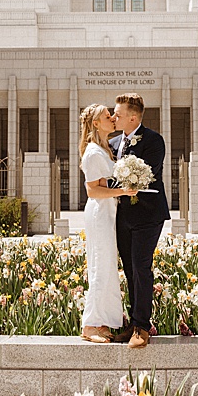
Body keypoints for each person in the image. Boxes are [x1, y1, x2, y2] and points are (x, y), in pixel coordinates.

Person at [109, 92, 170, 349]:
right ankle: (134, 324)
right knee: (130, 271)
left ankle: (142, 328)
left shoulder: (154, 140)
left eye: (118, 114)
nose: (114, 118)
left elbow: (147, 175)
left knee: (141, 267)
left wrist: (116, 182)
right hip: (123, 216)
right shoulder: (113, 144)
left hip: (148, 215)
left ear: (133, 117)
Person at [77, 104, 136, 343]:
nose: (112, 118)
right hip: (100, 214)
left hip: (108, 213)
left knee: (107, 267)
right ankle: (90, 326)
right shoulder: (92, 152)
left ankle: (102, 322)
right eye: (106, 116)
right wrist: (124, 191)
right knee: (100, 266)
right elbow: (93, 191)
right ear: (95, 123)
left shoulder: (104, 150)